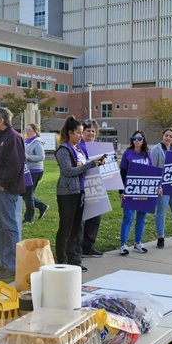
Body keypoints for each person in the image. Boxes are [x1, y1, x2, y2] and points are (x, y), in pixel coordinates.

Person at [54, 116, 106, 270]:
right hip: (67, 192)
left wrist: (95, 163)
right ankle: (61, 260)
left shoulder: (77, 149)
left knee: (76, 228)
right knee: (66, 227)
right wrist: (90, 164)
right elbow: (68, 171)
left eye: (82, 133)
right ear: (70, 133)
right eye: (79, 133)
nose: (81, 136)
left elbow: (81, 168)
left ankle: (74, 260)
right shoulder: (63, 150)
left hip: (80, 191)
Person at [0, 107, 26, 279]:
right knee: (1, 226)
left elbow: (15, 164)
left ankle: (11, 266)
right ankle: (1, 262)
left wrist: (3, 183)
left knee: (9, 227)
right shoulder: (0, 137)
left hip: (5, 190)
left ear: (1, 121)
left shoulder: (13, 138)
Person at [119, 130, 154, 255]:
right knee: (128, 217)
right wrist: (121, 191)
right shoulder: (127, 153)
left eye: (139, 138)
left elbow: (152, 172)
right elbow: (122, 173)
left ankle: (138, 242)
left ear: (143, 140)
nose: (137, 141)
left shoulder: (147, 154)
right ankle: (123, 244)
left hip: (144, 190)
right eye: (134, 138)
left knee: (141, 218)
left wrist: (155, 188)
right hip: (129, 190)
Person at [80, 120, 105, 258]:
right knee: (82, 218)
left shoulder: (99, 148)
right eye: (88, 130)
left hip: (96, 186)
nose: (91, 133)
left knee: (95, 217)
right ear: (82, 132)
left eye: (93, 131)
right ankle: (79, 247)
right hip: (84, 186)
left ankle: (88, 246)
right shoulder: (79, 147)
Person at [22, 123, 49, 224]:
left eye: (29, 130)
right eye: (26, 129)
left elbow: (41, 157)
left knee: (28, 195)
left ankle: (29, 218)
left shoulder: (37, 142)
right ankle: (42, 206)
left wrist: (28, 157)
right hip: (27, 171)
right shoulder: (26, 141)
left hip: (35, 171)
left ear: (34, 131)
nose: (27, 132)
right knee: (25, 194)